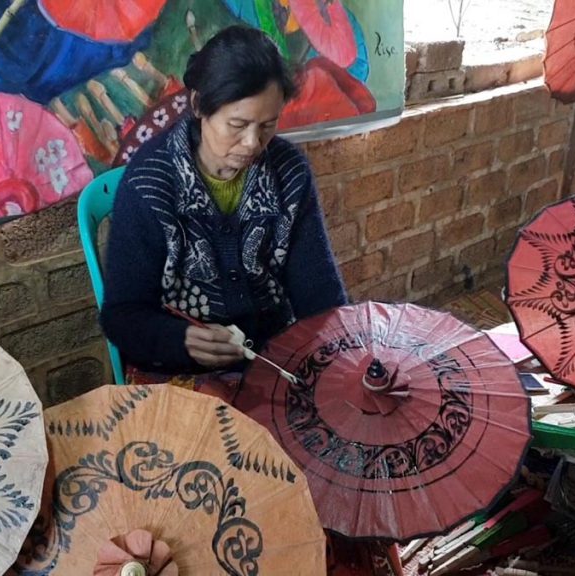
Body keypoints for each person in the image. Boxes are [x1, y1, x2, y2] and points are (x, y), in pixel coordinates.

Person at [100, 25, 402, 576]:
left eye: (267, 126)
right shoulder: (150, 185)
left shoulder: (287, 172)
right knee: (251, 481)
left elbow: (320, 297)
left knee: (345, 454)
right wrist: (181, 339)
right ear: (199, 107)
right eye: (237, 125)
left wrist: (346, 366)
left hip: (276, 357)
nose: (251, 144)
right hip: (178, 370)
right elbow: (121, 316)